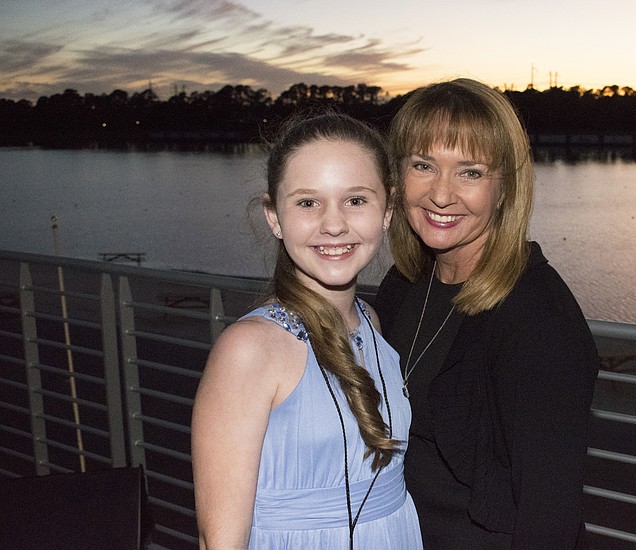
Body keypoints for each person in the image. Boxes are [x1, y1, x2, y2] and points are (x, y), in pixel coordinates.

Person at [374, 78, 599, 549]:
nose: (441, 194)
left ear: (504, 188)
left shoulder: (537, 318)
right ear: (397, 176)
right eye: (423, 165)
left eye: (470, 172)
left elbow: (549, 519)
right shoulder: (402, 289)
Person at [192, 112, 422, 549]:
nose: (333, 224)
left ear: (388, 210)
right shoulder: (250, 350)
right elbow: (219, 541)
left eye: (356, 200)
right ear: (274, 217)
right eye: (307, 202)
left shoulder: (371, 325)